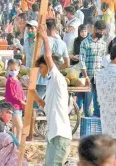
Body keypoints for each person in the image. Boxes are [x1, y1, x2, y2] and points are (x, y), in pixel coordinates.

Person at [31, 24, 72, 166]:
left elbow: (48, 56)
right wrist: (34, 95)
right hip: (53, 135)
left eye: (41, 67)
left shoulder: (57, 78)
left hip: (60, 135)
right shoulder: (50, 82)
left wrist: (44, 38)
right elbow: (46, 106)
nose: (40, 70)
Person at [80, 20, 107, 117]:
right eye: (100, 32)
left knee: (98, 103)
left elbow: (103, 61)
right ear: (95, 29)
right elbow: (82, 61)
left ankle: (97, 123)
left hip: (99, 76)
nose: (101, 34)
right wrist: (86, 77)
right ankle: (87, 122)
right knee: (87, 103)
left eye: (103, 32)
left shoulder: (103, 44)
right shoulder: (85, 43)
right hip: (89, 76)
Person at [4, 59, 26, 144]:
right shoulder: (10, 80)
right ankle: (18, 147)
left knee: (15, 128)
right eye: (11, 70)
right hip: (14, 107)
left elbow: (20, 93)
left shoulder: (16, 79)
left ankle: (14, 146)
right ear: (8, 69)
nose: (13, 71)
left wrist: (23, 101)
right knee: (20, 127)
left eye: (15, 70)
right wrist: (23, 102)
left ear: (19, 68)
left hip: (18, 107)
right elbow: (13, 96)